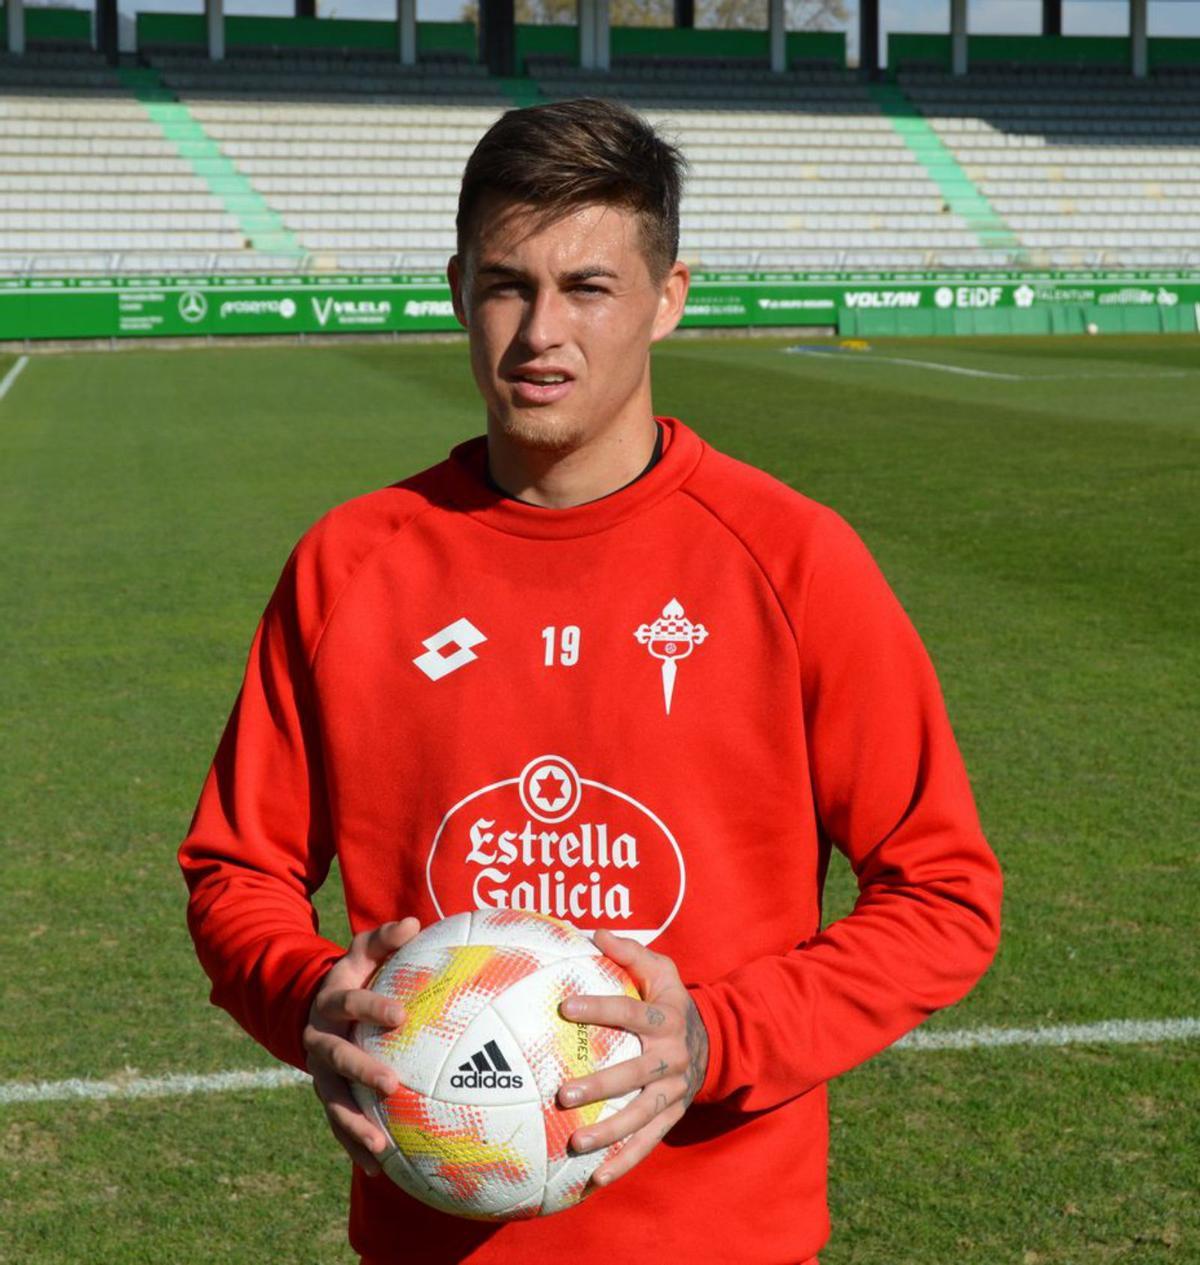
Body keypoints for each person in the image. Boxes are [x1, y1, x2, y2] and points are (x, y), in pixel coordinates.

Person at [179, 97, 1003, 1265]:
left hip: (725, 1238)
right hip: (434, 1235)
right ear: (458, 286)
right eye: (509, 283)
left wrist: (715, 1038)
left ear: (669, 297)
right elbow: (236, 867)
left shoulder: (793, 559)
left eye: (589, 287)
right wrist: (314, 997)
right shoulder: (352, 564)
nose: (538, 333)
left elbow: (945, 896)